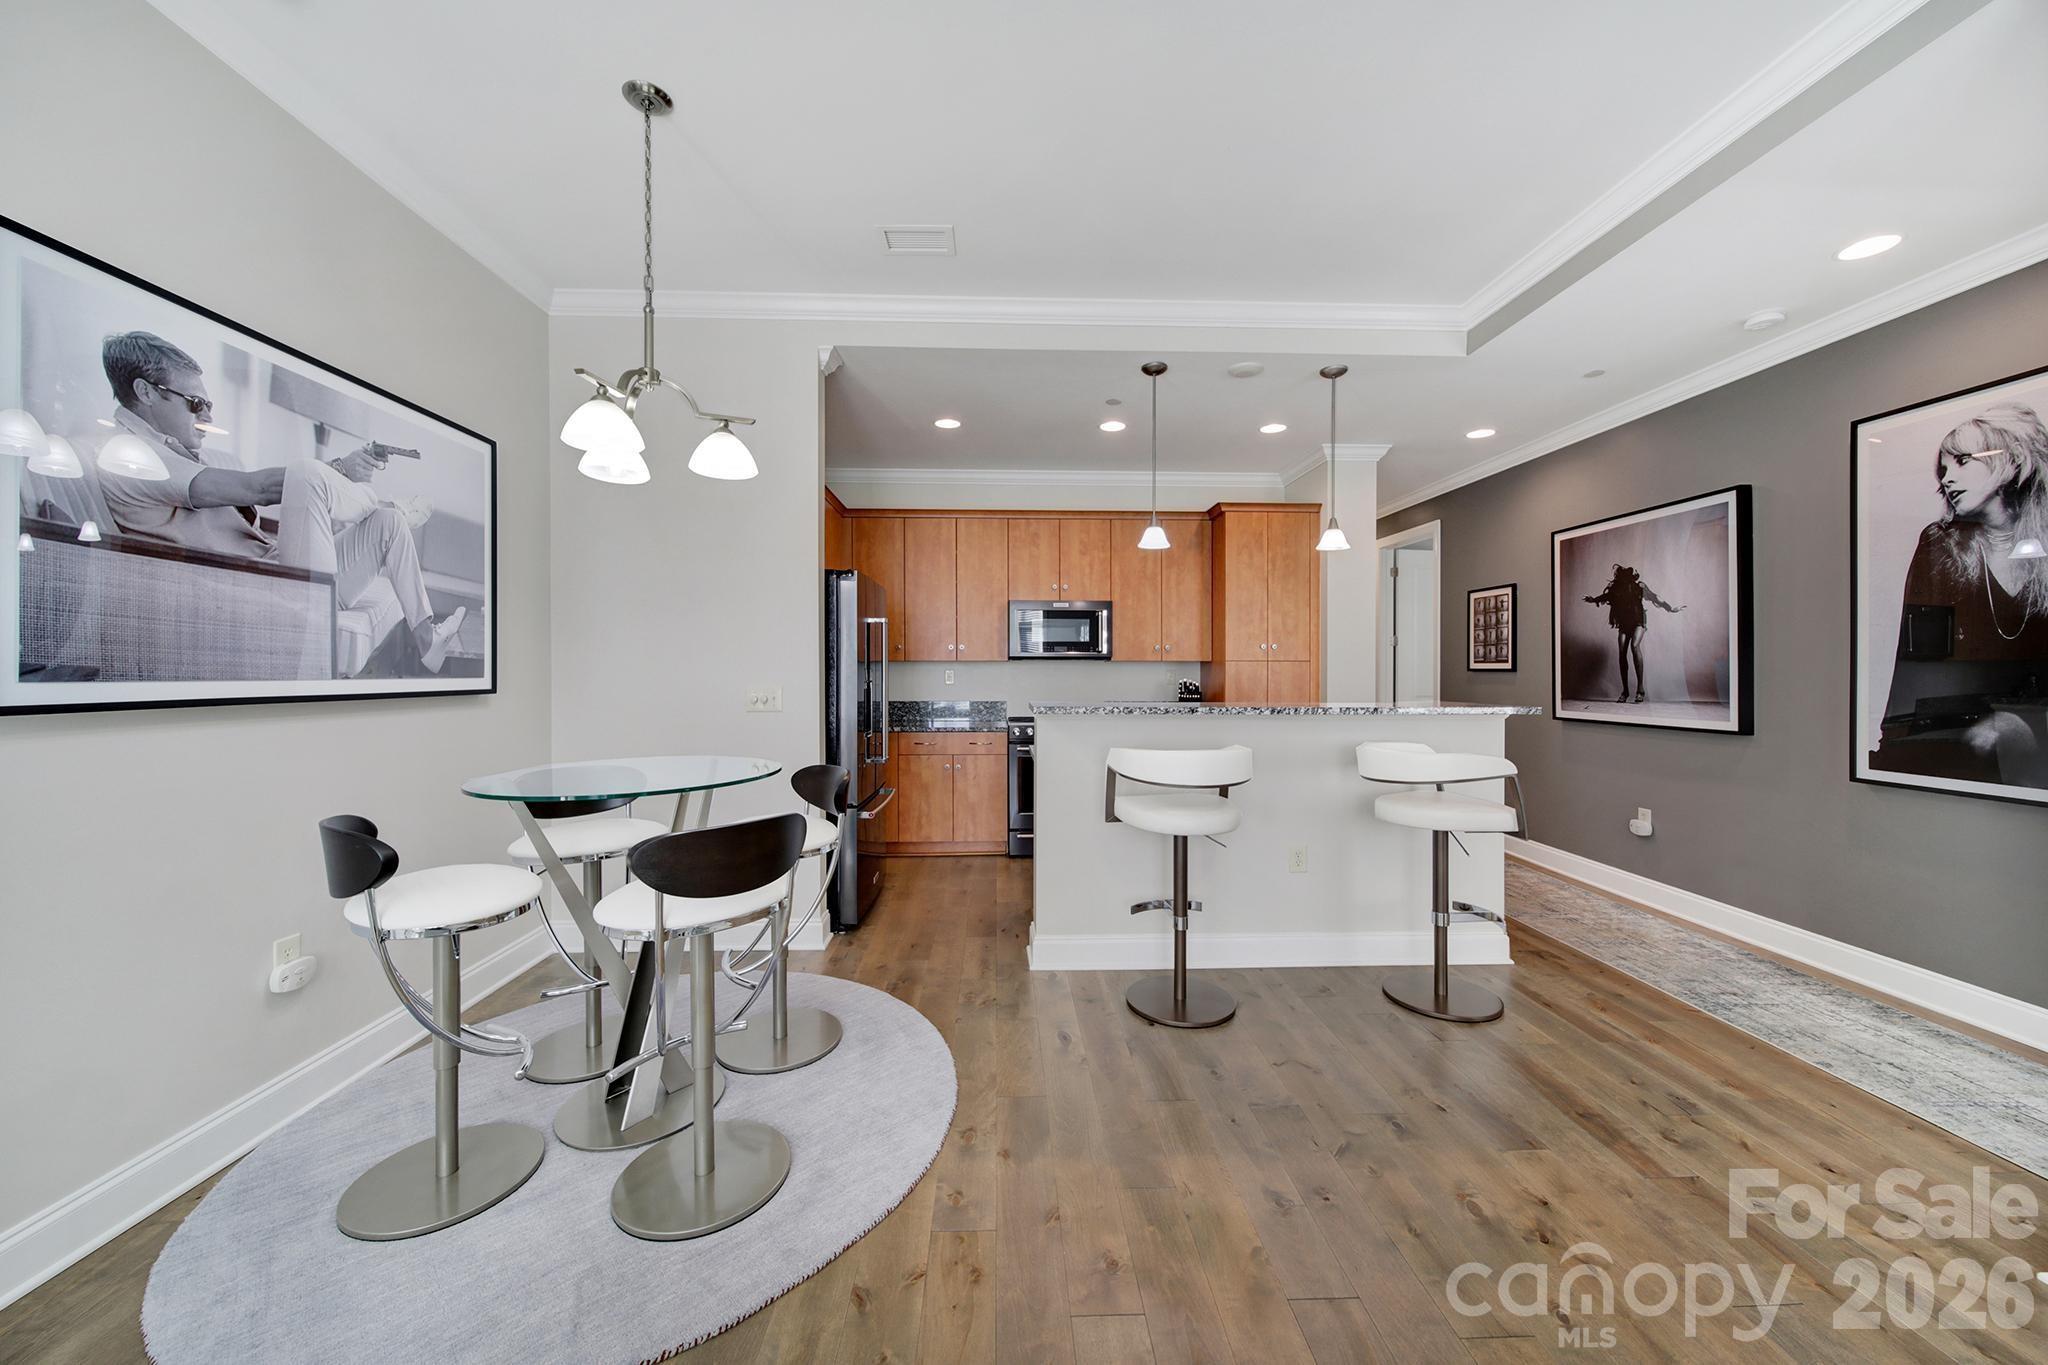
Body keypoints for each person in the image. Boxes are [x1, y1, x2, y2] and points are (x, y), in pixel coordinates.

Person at [92, 331, 467, 673]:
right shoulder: (133, 455)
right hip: (253, 591)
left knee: (387, 525)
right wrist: (338, 471)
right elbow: (259, 488)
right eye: (195, 403)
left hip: (275, 574)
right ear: (145, 392)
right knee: (307, 473)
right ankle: (381, 502)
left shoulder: (170, 452)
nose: (207, 415)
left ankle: (427, 639)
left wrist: (337, 477)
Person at [1873, 402, 2048, 786]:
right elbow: (1916, 661)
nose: (1948, 479)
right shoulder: (1940, 545)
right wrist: (1891, 752)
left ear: (2014, 461)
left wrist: (2021, 723)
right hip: (1957, 747)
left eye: (1963, 461)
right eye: (1944, 469)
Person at [1583, 564, 1684, 703]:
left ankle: (1640, 689)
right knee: (1622, 651)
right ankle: (1625, 691)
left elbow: (1655, 597)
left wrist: (1670, 608)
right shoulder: (1616, 589)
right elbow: (1606, 596)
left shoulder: (1639, 587)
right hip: (1624, 623)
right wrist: (1593, 599)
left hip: (1638, 621)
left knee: (1634, 646)